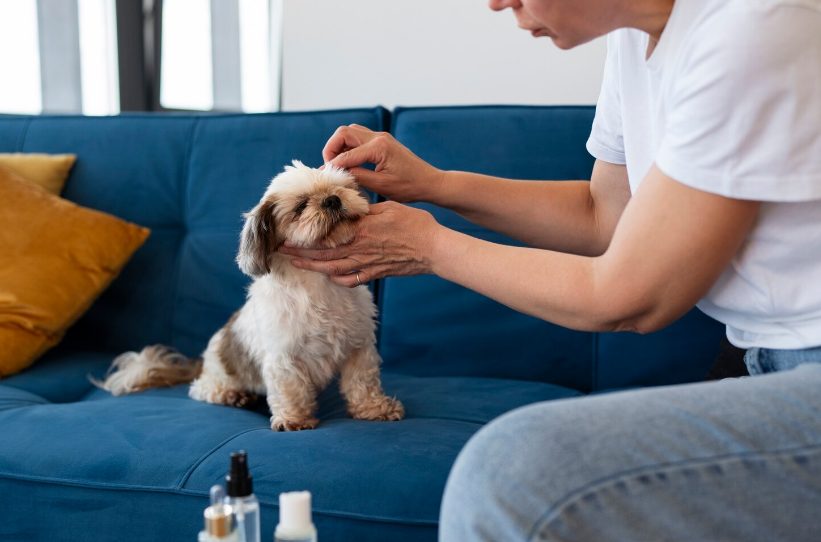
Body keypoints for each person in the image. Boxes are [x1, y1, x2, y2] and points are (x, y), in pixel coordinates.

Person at [279, 0, 821, 539]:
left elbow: (631, 298)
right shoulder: (634, 38)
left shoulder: (756, 25)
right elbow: (604, 215)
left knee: (516, 469)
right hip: (758, 355)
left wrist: (431, 248)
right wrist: (434, 185)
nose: (496, 3)